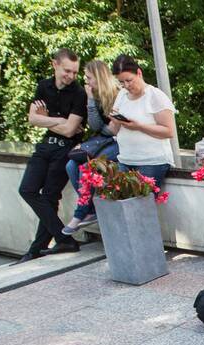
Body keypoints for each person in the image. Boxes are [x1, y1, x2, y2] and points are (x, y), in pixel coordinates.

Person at [16, 48, 87, 262]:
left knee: (49, 195)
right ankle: (63, 238)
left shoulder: (78, 93)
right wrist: (60, 121)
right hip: (46, 145)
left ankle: (37, 248)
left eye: (75, 72)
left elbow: (70, 131)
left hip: (66, 149)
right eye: (67, 71)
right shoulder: (43, 87)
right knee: (27, 189)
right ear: (54, 65)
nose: (71, 76)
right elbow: (32, 119)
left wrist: (47, 119)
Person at [62, 59, 121, 235]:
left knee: (89, 166)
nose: (86, 81)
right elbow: (98, 127)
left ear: (99, 76)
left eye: (89, 78)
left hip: (119, 142)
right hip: (103, 140)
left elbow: (114, 130)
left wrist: (107, 129)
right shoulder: (93, 97)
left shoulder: (117, 93)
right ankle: (90, 210)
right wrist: (90, 101)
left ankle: (80, 214)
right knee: (71, 165)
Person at [108, 54, 176, 188]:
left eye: (129, 80)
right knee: (120, 201)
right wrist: (115, 121)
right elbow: (113, 130)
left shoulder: (155, 96)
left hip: (152, 161)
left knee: (140, 203)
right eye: (121, 82)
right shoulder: (122, 95)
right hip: (125, 158)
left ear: (139, 73)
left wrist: (139, 126)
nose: (126, 85)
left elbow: (169, 131)